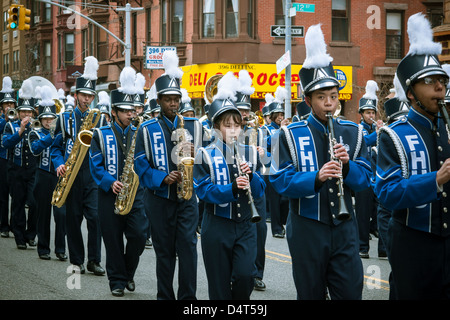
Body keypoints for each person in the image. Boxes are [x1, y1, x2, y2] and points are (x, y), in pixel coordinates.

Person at [270, 24, 372, 300]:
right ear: (307, 99)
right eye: (321, 97)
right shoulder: (287, 134)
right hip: (306, 227)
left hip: (344, 229)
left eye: (333, 96)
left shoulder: (352, 131)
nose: (329, 103)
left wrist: (348, 165)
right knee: (311, 293)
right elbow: (279, 180)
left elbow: (366, 179)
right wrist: (316, 177)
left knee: (351, 292)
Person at [374, 13, 450, 299]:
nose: (440, 87)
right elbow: (388, 193)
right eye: (430, 81)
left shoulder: (448, 127)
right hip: (413, 244)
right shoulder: (393, 135)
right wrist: (437, 179)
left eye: (442, 80)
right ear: (410, 92)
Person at [134, 50, 203, 300]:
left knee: (188, 250)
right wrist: (162, 178)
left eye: (176, 99)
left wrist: (198, 154)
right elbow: (139, 164)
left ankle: (188, 299)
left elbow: (208, 161)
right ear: (159, 101)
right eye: (168, 100)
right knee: (164, 252)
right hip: (159, 198)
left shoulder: (194, 125)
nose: (173, 104)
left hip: (187, 199)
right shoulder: (146, 128)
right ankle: (165, 296)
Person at [193, 71, 266, 299]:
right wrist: (232, 189)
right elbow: (203, 191)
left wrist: (252, 177)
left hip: (245, 224)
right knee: (219, 287)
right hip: (216, 226)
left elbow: (262, 189)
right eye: (227, 125)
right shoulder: (203, 154)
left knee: (246, 276)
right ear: (216, 128)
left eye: (237, 124)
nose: (234, 129)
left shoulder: (251, 152)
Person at [89, 66, 148, 297]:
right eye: (125, 111)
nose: (131, 114)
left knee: (139, 235)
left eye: (132, 110)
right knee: (112, 240)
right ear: (114, 112)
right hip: (109, 194)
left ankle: (128, 272)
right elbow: (95, 165)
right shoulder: (100, 134)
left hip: (136, 194)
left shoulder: (139, 132)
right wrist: (109, 182)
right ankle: (117, 281)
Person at [51, 56, 104, 275]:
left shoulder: (100, 119)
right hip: (71, 174)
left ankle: (94, 260)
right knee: (73, 219)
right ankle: (77, 260)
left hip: (91, 174)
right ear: (76, 96)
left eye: (90, 96)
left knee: (95, 218)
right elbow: (55, 147)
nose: (87, 99)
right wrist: (59, 164)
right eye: (83, 95)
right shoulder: (64, 119)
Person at [235, 70, 268, 292]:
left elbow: (269, 162)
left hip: (257, 186)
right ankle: (236, 272)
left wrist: (262, 153)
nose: (245, 115)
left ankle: (257, 273)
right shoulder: (226, 130)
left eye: (247, 110)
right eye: (240, 111)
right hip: (236, 186)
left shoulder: (260, 131)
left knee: (260, 233)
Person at [29, 85, 67, 261]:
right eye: (45, 118)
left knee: (61, 214)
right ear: (41, 119)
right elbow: (35, 149)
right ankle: (43, 248)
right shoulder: (35, 132)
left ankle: (60, 249)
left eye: (52, 118)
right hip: (43, 176)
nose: (48, 121)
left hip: (59, 176)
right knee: (43, 214)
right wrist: (50, 136)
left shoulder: (61, 133)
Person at [2, 78, 38, 250]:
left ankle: (31, 234)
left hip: (32, 170)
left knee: (34, 202)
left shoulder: (36, 127)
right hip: (15, 169)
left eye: (29, 112)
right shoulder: (10, 125)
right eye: (23, 112)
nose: (26, 115)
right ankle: (20, 237)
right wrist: (20, 131)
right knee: (17, 203)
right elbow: (6, 143)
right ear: (18, 112)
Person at [355, 80, 384, 259]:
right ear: (362, 114)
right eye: (368, 112)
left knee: (379, 211)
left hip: (378, 175)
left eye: (373, 112)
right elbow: (365, 142)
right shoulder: (359, 129)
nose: (371, 115)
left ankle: (382, 247)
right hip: (364, 175)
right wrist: (379, 132)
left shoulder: (377, 128)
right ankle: (362, 246)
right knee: (363, 213)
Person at [265, 87, 290, 238]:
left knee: (285, 198)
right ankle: (276, 228)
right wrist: (281, 130)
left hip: (284, 166)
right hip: (270, 168)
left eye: (282, 114)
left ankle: (283, 222)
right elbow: (267, 142)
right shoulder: (266, 129)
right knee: (274, 200)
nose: (281, 117)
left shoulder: (285, 128)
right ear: (273, 116)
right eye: (278, 115)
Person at [0, 76, 16, 238]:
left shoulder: (17, 120)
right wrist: (5, 120)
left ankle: (15, 225)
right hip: (2, 159)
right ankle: (3, 225)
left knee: (17, 195)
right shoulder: (1, 120)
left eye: (11, 104)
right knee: (3, 194)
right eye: (6, 104)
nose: (9, 106)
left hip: (14, 160)